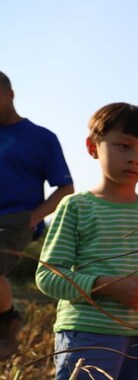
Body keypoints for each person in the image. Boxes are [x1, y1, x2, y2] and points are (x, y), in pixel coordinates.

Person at [35, 102, 138, 380]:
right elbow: (47, 275)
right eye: (123, 146)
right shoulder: (77, 207)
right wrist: (105, 285)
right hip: (88, 333)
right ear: (92, 147)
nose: (134, 157)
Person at [0, 71, 74, 358]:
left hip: (17, 219)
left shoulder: (41, 138)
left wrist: (31, 220)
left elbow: (65, 186)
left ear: (10, 95)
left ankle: (7, 321)